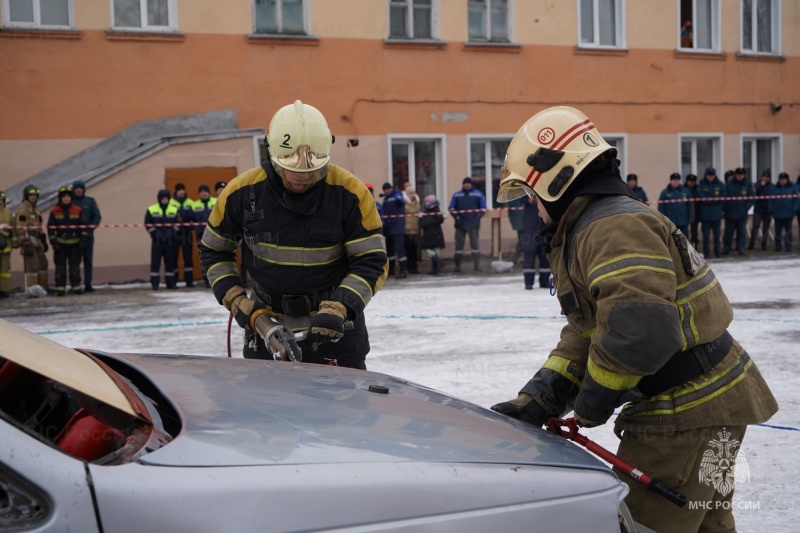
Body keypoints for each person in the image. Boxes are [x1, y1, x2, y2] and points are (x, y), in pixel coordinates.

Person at [490, 106, 777, 533]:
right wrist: (541, 397)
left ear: (557, 179)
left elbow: (638, 330)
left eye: (532, 195)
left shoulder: (609, 228)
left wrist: (591, 403)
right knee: (706, 525)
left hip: (685, 412)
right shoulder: (597, 223)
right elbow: (590, 329)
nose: (532, 206)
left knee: (641, 525)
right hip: (711, 401)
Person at [199, 100, 387, 369]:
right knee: (269, 409)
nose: (303, 178)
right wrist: (240, 303)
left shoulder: (351, 194)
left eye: (313, 170)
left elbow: (371, 260)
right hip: (267, 327)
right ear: (272, 155)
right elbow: (214, 250)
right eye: (292, 169)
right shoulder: (242, 193)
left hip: (336, 330)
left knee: (344, 409)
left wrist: (339, 307)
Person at [47, 187, 88, 296]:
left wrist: (83, 240)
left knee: (75, 267)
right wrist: (53, 242)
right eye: (64, 196)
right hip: (60, 244)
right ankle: (60, 288)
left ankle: (76, 287)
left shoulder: (77, 209)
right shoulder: (54, 211)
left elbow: (84, 226)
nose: (66, 198)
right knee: (60, 267)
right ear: (60, 198)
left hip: (75, 244)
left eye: (68, 196)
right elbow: (51, 228)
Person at [14, 184, 49, 292]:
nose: (34, 197)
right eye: (31, 195)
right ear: (26, 196)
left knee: (43, 264)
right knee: (32, 267)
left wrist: (43, 240)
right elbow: (20, 228)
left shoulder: (35, 209)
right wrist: (25, 243)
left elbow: (38, 225)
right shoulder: (23, 209)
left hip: (38, 242)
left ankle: (43, 288)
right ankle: (32, 290)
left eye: (35, 195)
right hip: (29, 242)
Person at [449, 176, 486, 272]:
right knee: (458, 246)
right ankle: (457, 266)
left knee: (475, 245)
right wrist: (456, 217)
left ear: (471, 184)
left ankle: (476, 266)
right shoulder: (457, 195)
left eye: (468, 183)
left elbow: (483, 209)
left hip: (473, 224)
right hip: (460, 224)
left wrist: (476, 219)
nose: (466, 185)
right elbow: (451, 208)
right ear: (463, 184)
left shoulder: (478, 194)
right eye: (465, 183)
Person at [145, 189, 180, 290]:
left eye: (166, 198)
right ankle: (155, 284)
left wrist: (172, 234)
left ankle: (171, 284)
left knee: (170, 262)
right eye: (163, 198)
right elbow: (148, 224)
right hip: (157, 241)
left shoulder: (174, 209)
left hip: (170, 241)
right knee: (155, 263)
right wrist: (155, 234)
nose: (164, 200)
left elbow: (178, 224)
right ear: (159, 199)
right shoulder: (151, 209)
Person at [71, 180, 101, 292]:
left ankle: (88, 283)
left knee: (88, 261)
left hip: (88, 237)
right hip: (74, 237)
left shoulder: (90, 202)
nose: (78, 190)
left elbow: (97, 217)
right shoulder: (70, 202)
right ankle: (76, 284)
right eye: (76, 188)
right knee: (75, 262)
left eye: (80, 188)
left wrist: (90, 228)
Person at [723, 167, 755, 256]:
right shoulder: (729, 184)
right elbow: (724, 197)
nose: (739, 176)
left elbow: (752, 198)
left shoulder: (748, 185)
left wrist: (745, 208)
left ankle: (741, 249)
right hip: (730, 212)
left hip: (742, 213)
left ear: (744, 175)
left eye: (741, 175)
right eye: (738, 175)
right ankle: (727, 248)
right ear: (735, 175)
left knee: (742, 233)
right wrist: (725, 208)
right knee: (728, 233)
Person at [520, 196, 550, 290]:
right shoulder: (526, 197)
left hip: (543, 231)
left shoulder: (544, 196)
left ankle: (545, 282)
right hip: (529, 232)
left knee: (545, 258)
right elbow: (521, 200)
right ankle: (528, 283)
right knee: (529, 259)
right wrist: (528, 198)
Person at [170, 183, 196, 287]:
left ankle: (189, 281)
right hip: (174, 234)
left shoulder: (190, 203)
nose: (181, 191)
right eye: (179, 190)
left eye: (182, 189)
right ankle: (174, 281)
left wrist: (191, 226)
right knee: (173, 257)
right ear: (176, 191)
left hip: (187, 233)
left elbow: (194, 217)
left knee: (188, 257)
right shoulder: (171, 203)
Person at [696, 167, 726, 258]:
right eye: (709, 175)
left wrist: (713, 200)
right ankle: (706, 252)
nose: (711, 177)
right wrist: (712, 200)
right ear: (706, 175)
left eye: (712, 175)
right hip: (705, 215)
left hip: (716, 214)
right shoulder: (702, 185)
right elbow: (700, 196)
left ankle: (717, 251)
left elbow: (724, 195)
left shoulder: (720, 184)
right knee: (706, 236)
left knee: (717, 235)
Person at [381, 182, 408, 278]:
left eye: (387, 189)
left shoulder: (397, 195)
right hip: (389, 228)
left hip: (397, 228)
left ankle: (403, 270)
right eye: (384, 190)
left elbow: (402, 201)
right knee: (390, 252)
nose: (386, 191)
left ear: (390, 189)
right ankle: (391, 270)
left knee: (400, 250)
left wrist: (398, 197)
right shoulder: (386, 199)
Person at [192, 184, 216, 287]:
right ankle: (206, 280)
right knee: (204, 257)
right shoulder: (194, 205)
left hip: (215, 234)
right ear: (199, 194)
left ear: (209, 192)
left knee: (215, 256)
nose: (203, 193)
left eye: (205, 191)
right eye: (201, 192)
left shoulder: (215, 202)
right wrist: (196, 228)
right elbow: (191, 220)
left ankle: (215, 279)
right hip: (201, 235)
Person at [658, 172, 691, 237]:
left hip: (683, 221)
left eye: (677, 180)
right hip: (671, 221)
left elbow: (689, 206)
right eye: (674, 180)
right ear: (671, 181)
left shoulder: (685, 191)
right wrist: (663, 219)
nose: (675, 182)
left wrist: (689, 218)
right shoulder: (665, 192)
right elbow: (661, 207)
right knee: (672, 241)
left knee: (684, 240)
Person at [771, 172, 798, 252]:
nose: (782, 181)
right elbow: (770, 201)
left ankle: (788, 246)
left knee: (788, 231)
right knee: (778, 232)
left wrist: (793, 209)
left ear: (787, 180)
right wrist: (772, 210)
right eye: (781, 180)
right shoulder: (775, 189)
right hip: (777, 214)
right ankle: (777, 246)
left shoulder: (792, 188)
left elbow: (796, 200)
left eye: (784, 180)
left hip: (788, 214)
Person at [419, 194, 445, 275]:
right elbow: (422, 224)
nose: (426, 203)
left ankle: (436, 268)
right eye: (425, 201)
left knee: (436, 251)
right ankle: (437, 264)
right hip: (428, 234)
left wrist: (428, 222)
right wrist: (421, 219)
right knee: (429, 250)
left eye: (428, 202)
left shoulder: (436, 211)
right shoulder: (425, 212)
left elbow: (440, 220)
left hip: (436, 233)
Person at [749, 169, 774, 251]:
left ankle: (764, 244)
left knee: (766, 228)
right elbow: (754, 192)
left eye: (767, 177)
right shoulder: (757, 184)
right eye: (764, 176)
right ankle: (752, 244)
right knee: (755, 227)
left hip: (767, 209)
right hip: (758, 209)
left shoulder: (772, 186)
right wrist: (761, 186)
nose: (765, 178)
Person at [403, 184, 421, 274]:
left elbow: (418, 211)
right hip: (407, 228)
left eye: (413, 193)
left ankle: (415, 266)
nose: (412, 195)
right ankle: (409, 266)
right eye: (410, 193)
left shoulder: (417, 202)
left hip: (416, 228)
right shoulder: (404, 202)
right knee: (408, 248)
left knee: (415, 249)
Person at [506, 195, 526, 266]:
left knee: (522, 241)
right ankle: (523, 258)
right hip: (519, 224)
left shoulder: (527, 199)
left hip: (528, 224)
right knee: (522, 241)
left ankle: (516, 258)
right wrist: (513, 222)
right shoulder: (513, 200)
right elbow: (510, 212)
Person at [0, 191, 12, 298]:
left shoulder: (8, 212)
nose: (0, 202)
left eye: (2, 200)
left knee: (5, 270)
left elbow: (12, 226)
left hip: (6, 244)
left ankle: (5, 290)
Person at [684, 173, 700, 249]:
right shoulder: (683, 189)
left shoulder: (697, 189)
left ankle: (695, 246)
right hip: (685, 214)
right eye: (690, 181)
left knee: (694, 232)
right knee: (684, 232)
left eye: (693, 181)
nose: (691, 182)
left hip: (695, 214)